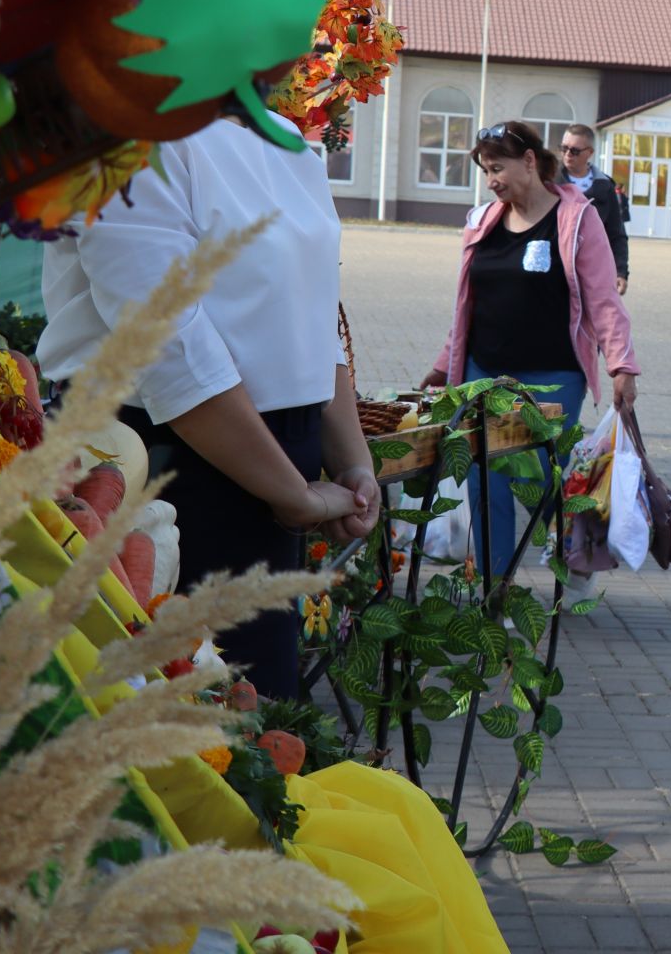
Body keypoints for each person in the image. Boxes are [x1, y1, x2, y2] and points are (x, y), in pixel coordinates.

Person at [38, 113, 378, 700]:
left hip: (267, 468)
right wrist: (291, 492)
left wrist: (352, 458)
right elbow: (169, 347)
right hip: (159, 461)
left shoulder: (283, 135)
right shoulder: (122, 131)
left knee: (256, 704)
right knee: (171, 711)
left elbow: (313, 311)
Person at [421, 120, 637, 579]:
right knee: (486, 480)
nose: (491, 179)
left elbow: (603, 300)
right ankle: (494, 589)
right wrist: (445, 365)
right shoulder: (482, 222)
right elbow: (466, 306)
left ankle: (576, 550)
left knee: (535, 476)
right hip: (483, 372)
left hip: (554, 375)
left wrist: (621, 364)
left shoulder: (577, 219)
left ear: (530, 162)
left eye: (497, 168)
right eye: (485, 171)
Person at [559, 123, 630, 295]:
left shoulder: (605, 187)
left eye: (575, 150)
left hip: (592, 273)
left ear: (589, 153)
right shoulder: (548, 183)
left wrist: (620, 271)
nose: (568, 154)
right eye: (564, 148)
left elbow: (616, 234)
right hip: (556, 270)